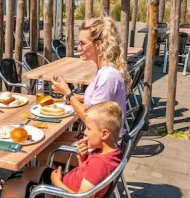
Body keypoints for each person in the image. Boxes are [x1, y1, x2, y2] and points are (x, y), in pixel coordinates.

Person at [0, 101, 123, 198]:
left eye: (88, 128)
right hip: (67, 188)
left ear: (105, 134)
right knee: (29, 171)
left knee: (9, 186)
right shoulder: (109, 152)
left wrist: (57, 182)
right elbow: (88, 175)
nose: (84, 132)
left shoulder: (99, 165)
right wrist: (82, 158)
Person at [38, 17, 130, 165]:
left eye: (82, 43)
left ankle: (64, 179)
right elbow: (99, 106)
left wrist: (68, 93)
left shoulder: (108, 77)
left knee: (42, 151)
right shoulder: (105, 71)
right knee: (48, 140)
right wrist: (78, 98)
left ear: (98, 45)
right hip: (100, 141)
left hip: (101, 152)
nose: (79, 48)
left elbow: (91, 119)